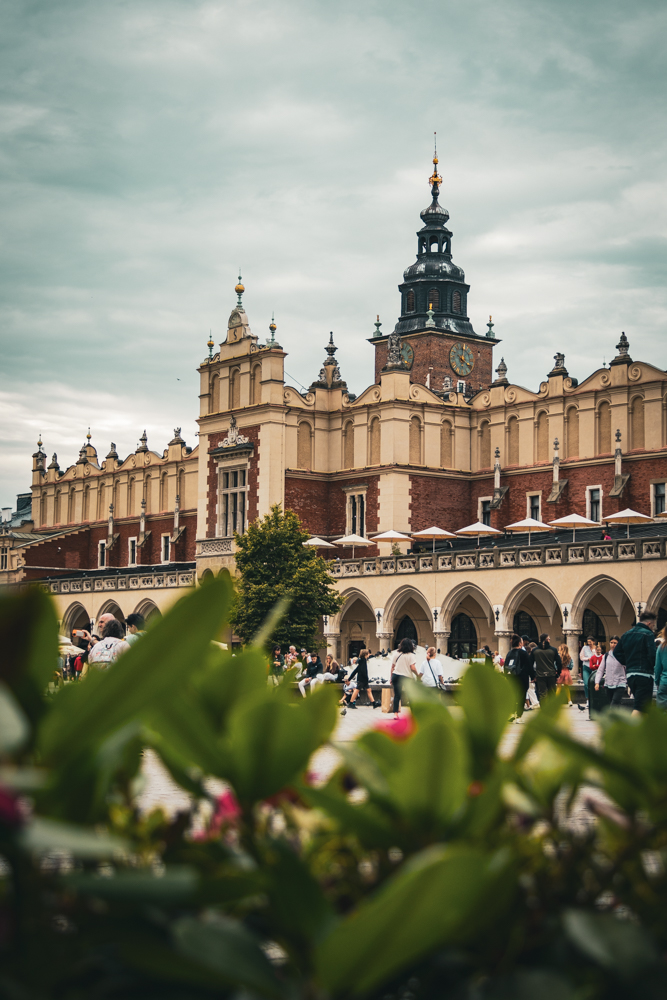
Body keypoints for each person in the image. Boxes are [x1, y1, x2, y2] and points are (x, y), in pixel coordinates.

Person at [614, 611, 658, 714]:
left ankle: (644, 729)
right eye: (653, 625)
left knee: (644, 707)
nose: (653, 628)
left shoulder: (626, 634)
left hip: (630, 675)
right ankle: (631, 729)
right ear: (649, 623)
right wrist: (653, 667)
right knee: (639, 707)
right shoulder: (648, 634)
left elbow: (616, 652)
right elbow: (652, 655)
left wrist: (628, 662)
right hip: (644, 675)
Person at [503, 634, 535, 718]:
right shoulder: (523, 653)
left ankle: (511, 713)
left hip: (511, 677)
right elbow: (529, 665)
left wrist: (506, 676)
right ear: (520, 643)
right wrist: (533, 676)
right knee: (521, 696)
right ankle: (518, 716)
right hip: (522, 677)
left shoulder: (509, 653)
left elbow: (505, 666)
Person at [595, 636, 626, 708]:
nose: (613, 644)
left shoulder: (623, 655)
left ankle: (611, 718)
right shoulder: (606, 656)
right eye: (611, 642)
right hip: (608, 684)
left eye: (615, 643)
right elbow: (600, 670)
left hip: (620, 683)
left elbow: (627, 667)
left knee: (614, 703)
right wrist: (597, 682)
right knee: (612, 703)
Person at [390, 638, 419, 715]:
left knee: (397, 695)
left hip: (396, 676)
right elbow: (412, 667)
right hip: (407, 677)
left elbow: (392, 667)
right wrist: (417, 675)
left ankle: (395, 714)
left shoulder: (396, 653)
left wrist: (391, 678)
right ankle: (414, 713)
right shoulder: (411, 655)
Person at [532, 633, 562, 702]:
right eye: (549, 639)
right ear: (547, 640)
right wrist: (558, 673)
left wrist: (533, 675)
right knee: (552, 693)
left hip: (540, 675)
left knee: (542, 693)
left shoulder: (535, 650)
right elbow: (559, 662)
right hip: (551, 674)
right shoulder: (553, 650)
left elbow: (530, 663)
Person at [654, 626, 667, 710]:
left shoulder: (661, 647)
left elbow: (657, 668)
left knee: (662, 711)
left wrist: (657, 682)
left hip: (664, 682)